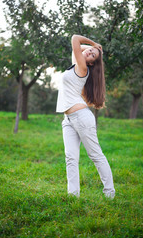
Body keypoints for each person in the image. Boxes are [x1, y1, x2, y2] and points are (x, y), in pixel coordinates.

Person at [56, 34, 115, 199]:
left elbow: (75, 39)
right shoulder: (77, 62)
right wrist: (94, 49)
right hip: (68, 120)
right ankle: (73, 196)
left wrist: (93, 44)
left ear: (91, 63)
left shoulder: (83, 67)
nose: (89, 53)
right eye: (89, 51)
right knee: (71, 157)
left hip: (81, 118)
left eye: (93, 56)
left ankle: (110, 193)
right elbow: (78, 48)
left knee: (95, 155)